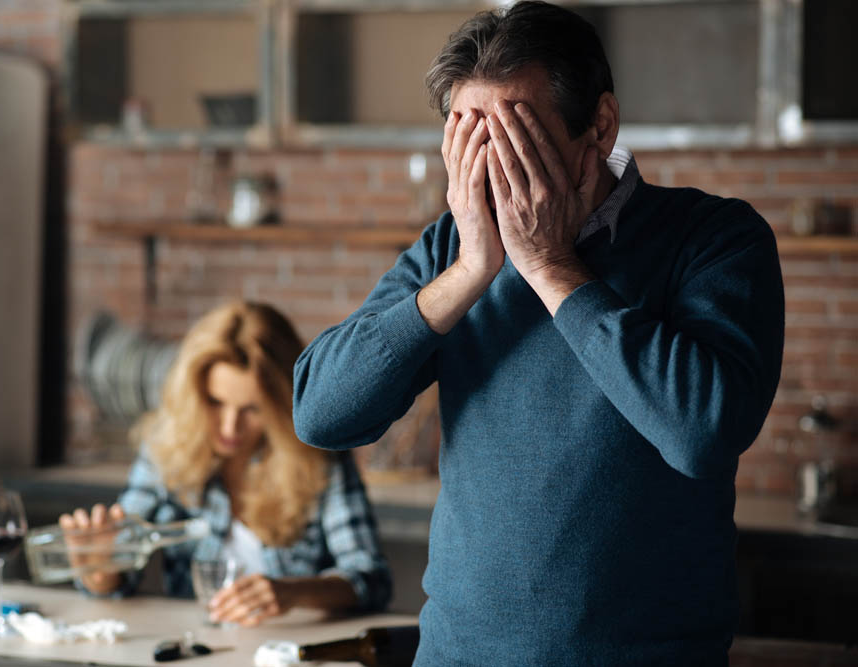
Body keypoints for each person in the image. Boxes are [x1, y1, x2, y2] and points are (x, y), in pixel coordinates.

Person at [293, 2, 784, 665]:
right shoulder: (451, 247)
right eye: (470, 137)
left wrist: (551, 267)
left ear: (599, 125)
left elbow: (702, 432)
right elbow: (320, 412)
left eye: (518, 135)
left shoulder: (713, 239)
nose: (492, 168)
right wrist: (470, 269)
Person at [62, 302, 392, 626]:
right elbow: (118, 576)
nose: (230, 428)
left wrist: (292, 593)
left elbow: (371, 578)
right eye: (216, 402)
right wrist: (101, 572)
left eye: (252, 409)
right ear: (192, 394)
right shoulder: (166, 450)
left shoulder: (321, 457)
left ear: (282, 405)